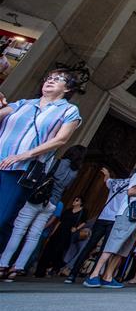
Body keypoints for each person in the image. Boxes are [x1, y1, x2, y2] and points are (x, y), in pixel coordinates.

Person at [0, 70, 83, 251]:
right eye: (49, 78)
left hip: (20, 169)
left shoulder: (69, 110)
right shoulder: (23, 104)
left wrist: (24, 155)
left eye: (58, 79)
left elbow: (61, 140)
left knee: (2, 217)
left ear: (67, 88)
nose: (50, 81)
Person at [0, 144, 84, 280]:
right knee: (34, 235)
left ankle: (3, 264)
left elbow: (42, 176)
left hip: (38, 198)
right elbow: (66, 188)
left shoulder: (57, 162)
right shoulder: (75, 172)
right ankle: (17, 267)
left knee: (19, 230)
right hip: (52, 203)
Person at [84, 151, 136, 288]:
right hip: (128, 214)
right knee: (113, 244)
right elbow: (131, 191)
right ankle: (94, 274)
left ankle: (108, 276)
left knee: (124, 248)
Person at [65, 168, 130, 283]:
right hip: (115, 219)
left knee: (89, 246)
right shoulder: (133, 185)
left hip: (103, 217)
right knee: (105, 249)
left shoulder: (114, 182)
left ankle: (72, 274)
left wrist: (107, 174)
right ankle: (93, 275)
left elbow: (106, 180)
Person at [36, 195, 85, 276]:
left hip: (68, 234)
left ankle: (53, 268)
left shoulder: (82, 212)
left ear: (81, 203)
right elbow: (59, 222)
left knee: (59, 251)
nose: (74, 201)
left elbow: (84, 222)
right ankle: (41, 270)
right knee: (49, 249)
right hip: (59, 231)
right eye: (74, 200)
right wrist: (53, 232)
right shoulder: (68, 211)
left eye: (77, 200)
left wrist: (76, 228)